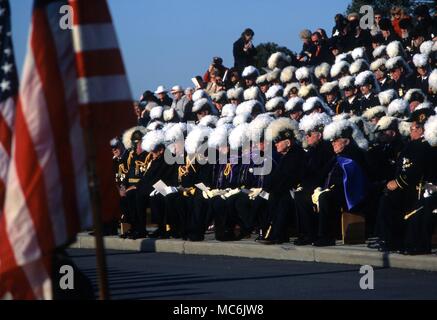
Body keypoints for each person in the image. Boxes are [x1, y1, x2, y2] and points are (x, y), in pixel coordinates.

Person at [373, 108, 435, 252]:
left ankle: (414, 243)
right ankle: (389, 239)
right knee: (386, 197)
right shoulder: (413, 144)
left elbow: (417, 169)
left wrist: (398, 182)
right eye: (412, 127)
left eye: (415, 127)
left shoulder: (427, 145)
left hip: (422, 187)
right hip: (408, 185)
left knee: (412, 204)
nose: (412, 130)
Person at [312, 120, 369, 246]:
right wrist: (317, 187)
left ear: (346, 141)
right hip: (334, 190)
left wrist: (329, 189)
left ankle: (326, 236)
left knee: (326, 197)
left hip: (349, 192)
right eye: (332, 141)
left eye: (336, 140)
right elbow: (322, 174)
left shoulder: (354, 154)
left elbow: (350, 179)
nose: (333, 143)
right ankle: (310, 233)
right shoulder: (336, 156)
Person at [258, 118, 306, 245]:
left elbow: (290, 178)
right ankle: (269, 232)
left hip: (297, 189)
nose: (275, 145)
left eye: (278, 142)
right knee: (267, 197)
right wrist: (266, 188)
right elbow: (277, 176)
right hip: (286, 189)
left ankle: (277, 234)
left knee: (280, 198)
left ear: (288, 142)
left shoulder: (296, 154)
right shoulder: (286, 155)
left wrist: (272, 189)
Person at [294, 113, 334, 245]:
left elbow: (323, 172)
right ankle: (305, 233)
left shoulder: (327, 148)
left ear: (319, 135)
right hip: (312, 184)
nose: (307, 137)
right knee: (298, 194)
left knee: (303, 195)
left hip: (323, 185)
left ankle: (313, 233)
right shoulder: (312, 150)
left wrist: (309, 185)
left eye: (309, 134)